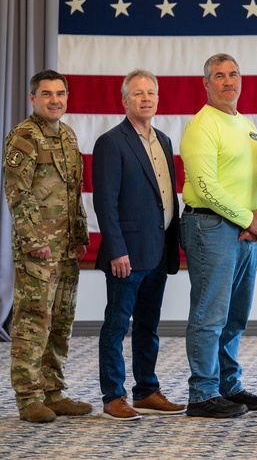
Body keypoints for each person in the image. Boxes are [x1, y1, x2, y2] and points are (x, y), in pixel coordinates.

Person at [180, 53, 257, 418]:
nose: (228, 81)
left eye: (233, 74)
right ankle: (202, 393)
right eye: (219, 76)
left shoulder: (246, 124)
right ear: (206, 83)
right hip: (211, 226)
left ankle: (228, 386)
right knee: (210, 314)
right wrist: (246, 218)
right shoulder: (202, 125)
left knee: (235, 315)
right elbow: (205, 186)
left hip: (245, 228)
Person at [92, 70, 185, 421]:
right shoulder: (111, 142)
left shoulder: (163, 139)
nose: (146, 98)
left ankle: (146, 390)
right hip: (126, 254)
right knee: (117, 325)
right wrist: (116, 249)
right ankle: (112, 395)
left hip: (159, 250)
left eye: (151, 92)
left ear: (158, 99)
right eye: (138, 93)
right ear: (125, 100)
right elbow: (105, 201)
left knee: (149, 325)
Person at [3, 70, 92, 423]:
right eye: (47, 94)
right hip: (38, 249)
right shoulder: (24, 137)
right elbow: (16, 192)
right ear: (33, 98)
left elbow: (74, 193)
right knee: (33, 321)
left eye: (60, 93)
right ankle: (28, 398)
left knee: (60, 321)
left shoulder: (68, 135)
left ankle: (53, 392)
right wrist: (34, 241)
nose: (55, 99)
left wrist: (81, 235)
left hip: (67, 247)